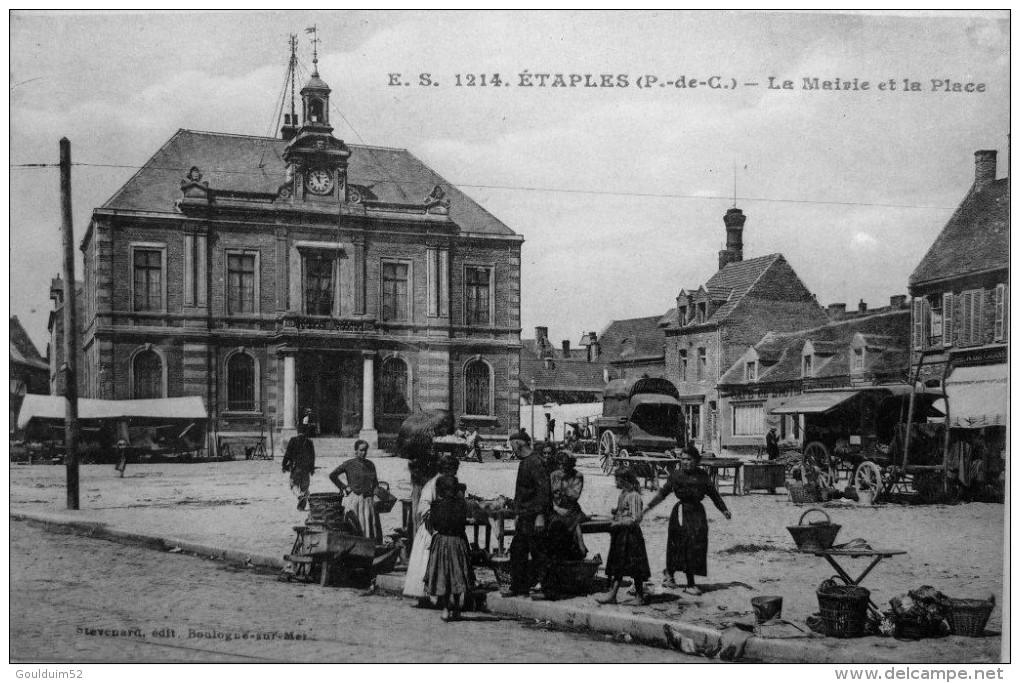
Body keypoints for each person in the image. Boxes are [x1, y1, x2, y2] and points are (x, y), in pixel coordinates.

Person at [646, 445, 732, 595]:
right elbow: (662, 494)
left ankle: (670, 573)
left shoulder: (702, 475)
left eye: (689, 459)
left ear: (697, 461)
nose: (686, 462)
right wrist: (648, 507)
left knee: (696, 546)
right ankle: (686, 582)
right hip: (680, 514)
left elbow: (713, 494)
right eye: (683, 459)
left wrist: (724, 509)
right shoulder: (676, 475)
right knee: (679, 546)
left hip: (697, 514)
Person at [404, 454, 460, 607]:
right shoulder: (434, 483)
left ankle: (439, 597)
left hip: (442, 527)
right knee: (426, 561)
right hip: (432, 528)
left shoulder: (448, 482)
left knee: (438, 564)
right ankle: (424, 596)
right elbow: (424, 505)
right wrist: (433, 518)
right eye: (454, 470)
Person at [597, 467, 651, 605]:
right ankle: (613, 595)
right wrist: (617, 512)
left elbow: (635, 519)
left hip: (631, 537)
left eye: (617, 479)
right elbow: (623, 511)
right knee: (619, 566)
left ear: (625, 480)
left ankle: (639, 596)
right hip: (622, 535)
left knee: (636, 568)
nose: (615, 481)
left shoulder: (634, 496)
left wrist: (619, 522)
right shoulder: (623, 494)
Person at [424, 474, 473, 622]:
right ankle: (457, 607)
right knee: (457, 575)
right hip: (458, 542)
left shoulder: (436, 505)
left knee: (443, 576)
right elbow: (463, 522)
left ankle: (446, 608)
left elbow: (433, 524)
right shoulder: (462, 504)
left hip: (442, 543)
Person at [508, 440, 553, 598]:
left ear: (519, 445)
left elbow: (544, 490)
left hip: (535, 516)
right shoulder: (525, 462)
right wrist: (517, 513)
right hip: (525, 516)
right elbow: (521, 493)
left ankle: (549, 590)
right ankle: (519, 587)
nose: (512, 451)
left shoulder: (536, 463)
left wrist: (540, 515)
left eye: (513, 447)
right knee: (517, 550)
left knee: (539, 552)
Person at [329, 440, 382, 543]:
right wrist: (344, 487)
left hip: (369, 501)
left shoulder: (370, 465)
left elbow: (376, 483)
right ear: (356, 451)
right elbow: (333, 475)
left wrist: (376, 495)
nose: (364, 453)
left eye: (366, 450)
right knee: (357, 526)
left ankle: (370, 548)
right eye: (361, 450)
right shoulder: (349, 464)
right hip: (355, 501)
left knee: (370, 525)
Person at [548, 453, 587, 559]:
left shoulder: (577, 476)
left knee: (568, 520)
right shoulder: (554, 475)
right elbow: (547, 494)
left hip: (570, 506)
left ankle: (576, 550)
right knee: (553, 522)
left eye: (565, 464)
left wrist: (565, 484)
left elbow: (575, 496)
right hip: (554, 506)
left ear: (572, 464)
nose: (562, 467)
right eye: (560, 464)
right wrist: (555, 507)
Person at [281, 425, 316, 511]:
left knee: (293, 485)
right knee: (305, 487)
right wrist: (311, 469)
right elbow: (312, 456)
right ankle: (302, 502)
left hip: (296, 467)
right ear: (306, 432)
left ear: (297, 432)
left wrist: (284, 465)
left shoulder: (293, 440)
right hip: (306, 468)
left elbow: (288, 454)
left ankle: (300, 497)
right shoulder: (309, 442)